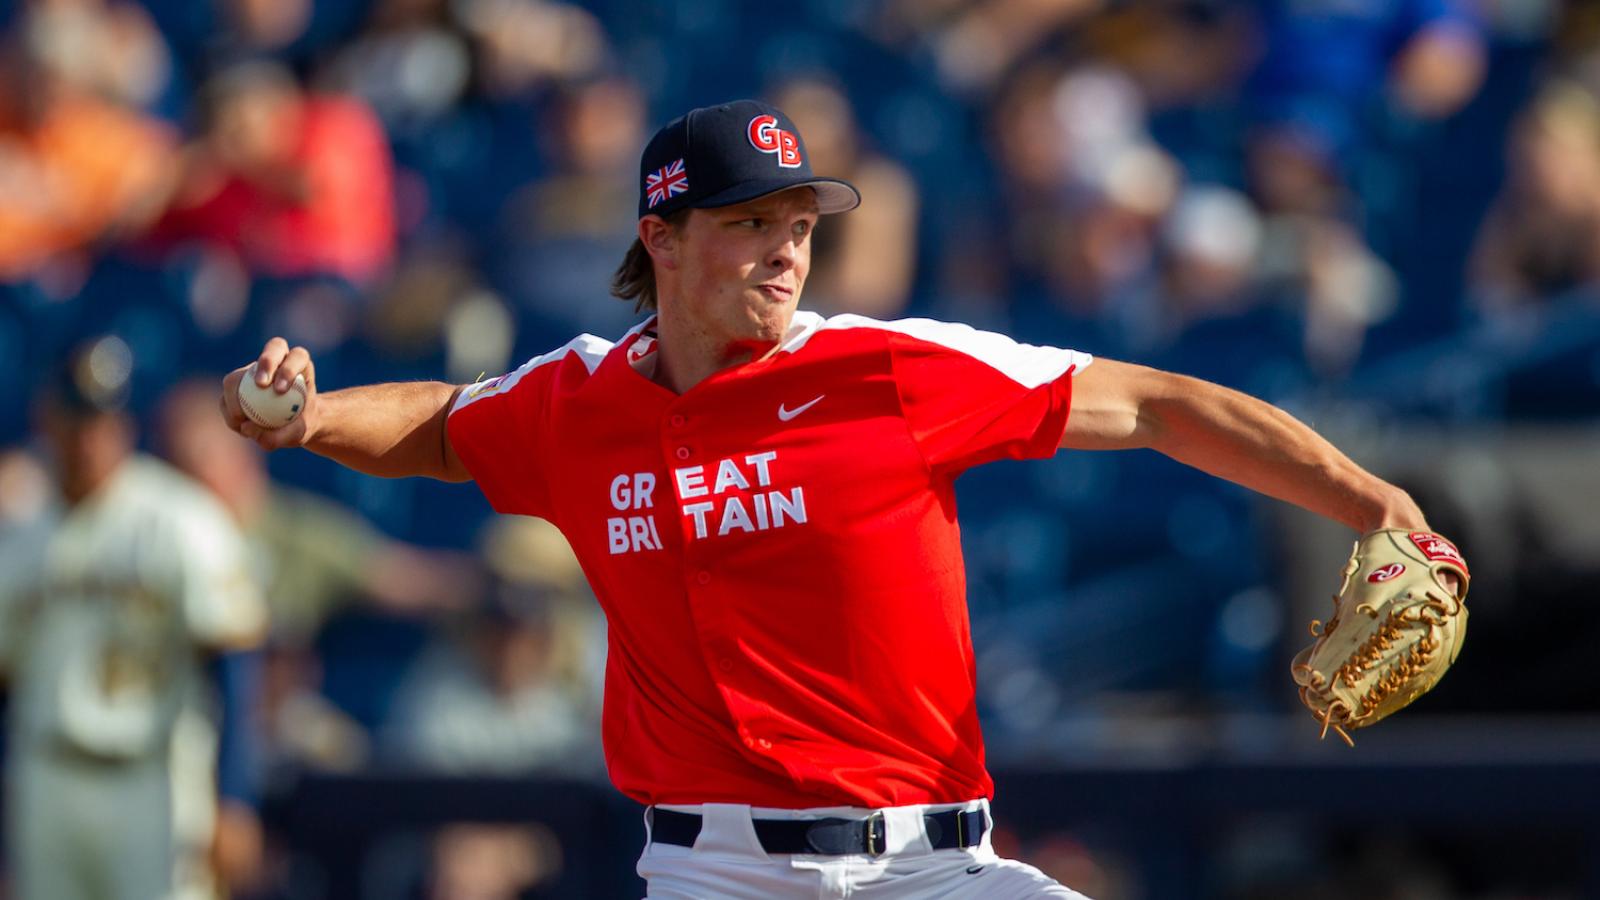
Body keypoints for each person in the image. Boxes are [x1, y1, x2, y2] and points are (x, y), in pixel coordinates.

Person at [221, 99, 1448, 899]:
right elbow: (444, 426)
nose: (786, 248)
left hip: (933, 866)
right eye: (750, 221)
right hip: (711, 874)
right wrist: (312, 417)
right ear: (663, 237)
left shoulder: (889, 370)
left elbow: (1162, 405)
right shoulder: (577, 399)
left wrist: (1367, 501)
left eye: (799, 221)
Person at [1, 338, 268, 900]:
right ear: (47, 421)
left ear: (124, 426)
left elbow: (233, 663)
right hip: (45, 772)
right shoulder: (18, 527)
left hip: (150, 779)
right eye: (75, 420)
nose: (89, 438)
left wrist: (235, 799)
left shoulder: (179, 520)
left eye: (102, 421)